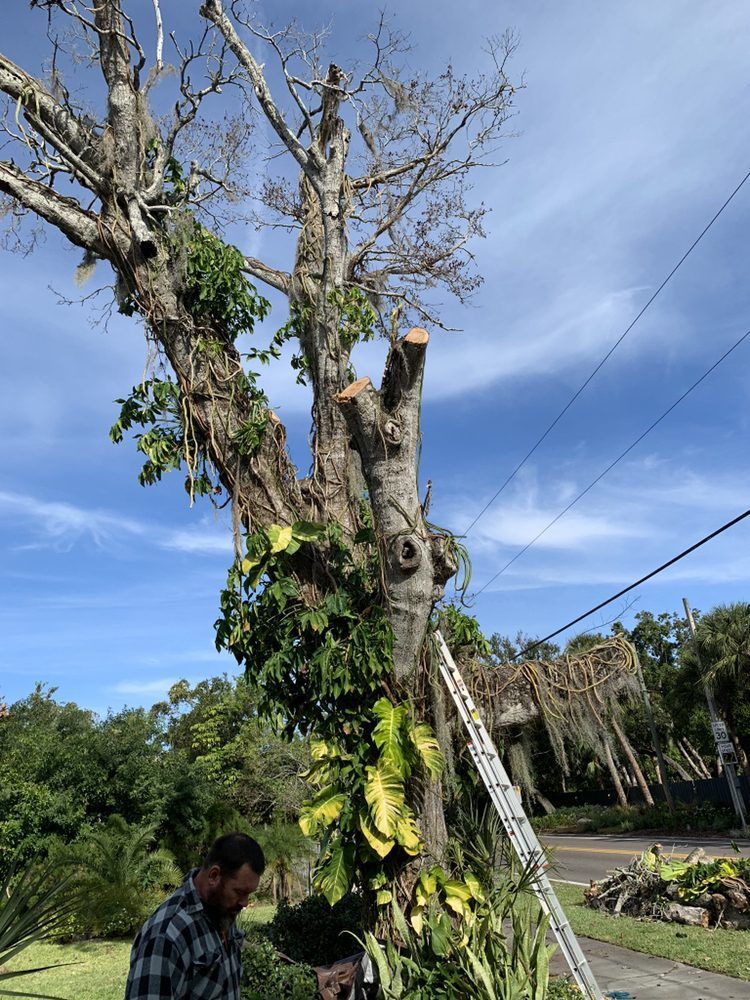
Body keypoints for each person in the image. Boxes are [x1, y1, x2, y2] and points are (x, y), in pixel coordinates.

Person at [125, 832, 265, 1000]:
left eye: (249, 894)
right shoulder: (166, 935)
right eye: (240, 892)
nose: (245, 903)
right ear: (214, 876)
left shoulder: (222, 909)